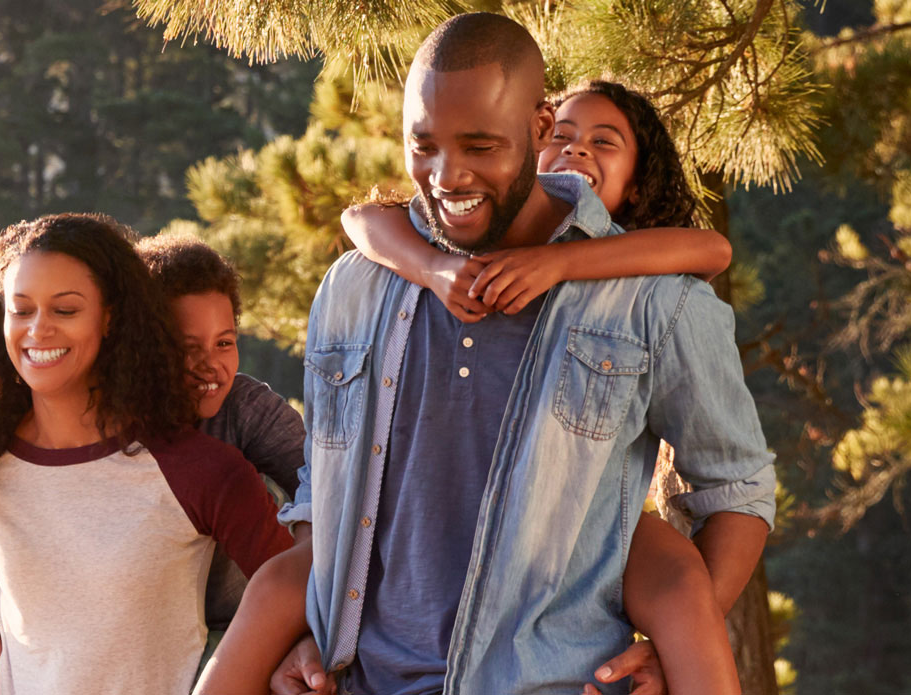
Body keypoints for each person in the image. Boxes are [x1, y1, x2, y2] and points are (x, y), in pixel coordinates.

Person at [257, 12, 775, 695]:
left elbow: (736, 488)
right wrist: (309, 630)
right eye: (425, 145)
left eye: (479, 145)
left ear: (537, 129)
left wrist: (671, 645)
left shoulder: (651, 300)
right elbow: (323, 488)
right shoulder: (356, 285)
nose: (448, 175)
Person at [0, 214, 293, 694]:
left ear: (109, 318)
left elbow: (298, 598)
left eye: (65, 310)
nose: (38, 330)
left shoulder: (199, 470)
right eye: (21, 310)